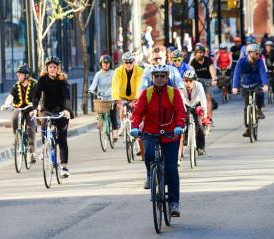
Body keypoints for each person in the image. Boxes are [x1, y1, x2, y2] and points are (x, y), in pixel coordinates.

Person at [130, 64, 185, 217]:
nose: (159, 78)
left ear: (167, 78)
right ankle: (150, 174)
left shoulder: (173, 93)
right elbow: (137, 113)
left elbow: (180, 112)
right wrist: (135, 127)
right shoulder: (146, 94)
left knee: (171, 169)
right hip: (150, 131)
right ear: (152, 78)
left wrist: (180, 126)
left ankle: (174, 203)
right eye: (156, 76)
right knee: (147, 155)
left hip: (170, 133)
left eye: (162, 76)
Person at [31, 56, 72, 177]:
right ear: (47, 68)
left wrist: (67, 110)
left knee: (62, 138)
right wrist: (34, 109)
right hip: (47, 109)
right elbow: (36, 96)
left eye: (54, 67)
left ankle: (64, 167)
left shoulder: (62, 80)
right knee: (44, 124)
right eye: (50, 67)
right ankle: (46, 147)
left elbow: (67, 97)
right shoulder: (42, 79)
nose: (52, 69)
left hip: (60, 110)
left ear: (58, 68)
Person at [0, 64, 37, 163]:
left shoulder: (34, 84)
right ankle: (17, 138)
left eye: (20, 74)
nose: (18, 76)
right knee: (14, 118)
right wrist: (6, 104)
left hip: (30, 109)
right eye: (17, 74)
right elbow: (10, 96)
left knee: (30, 129)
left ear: (26, 75)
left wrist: (37, 107)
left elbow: (38, 97)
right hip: (18, 108)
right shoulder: (16, 86)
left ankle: (32, 153)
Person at [232, 43, 268, 137]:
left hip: (257, 83)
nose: (258, 55)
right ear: (249, 53)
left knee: (260, 94)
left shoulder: (259, 61)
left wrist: (265, 85)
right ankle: (248, 127)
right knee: (247, 105)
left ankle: (259, 109)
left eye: (258, 53)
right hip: (245, 85)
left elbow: (263, 73)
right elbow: (236, 74)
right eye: (256, 53)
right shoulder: (241, 61)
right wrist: (235, 87)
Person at [89, 55, 120, 140]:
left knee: (113, 114)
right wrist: (90, 90)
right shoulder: (98, 74)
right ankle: (99, 120)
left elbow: (116, 83)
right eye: (104, 63)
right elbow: (94, 84)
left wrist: (115, 91)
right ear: (101, 64)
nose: (106, 65)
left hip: (111, 97)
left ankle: (114, 132)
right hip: (101, 97)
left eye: (107, 63)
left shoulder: (113, 73)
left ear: (110, 64)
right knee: (99, 110)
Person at [181, 70, 207, 156]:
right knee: (184, 121)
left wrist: (205, 114)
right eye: (186, 80)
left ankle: (201, 148)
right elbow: (181, 100)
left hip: (196, 104)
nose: (188, 83)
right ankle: (185, 139)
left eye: (191, 80)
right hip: (185, 104)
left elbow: (203, 99)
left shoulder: (199, 85)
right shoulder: (180, 86)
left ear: (194, 81)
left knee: (199, 124)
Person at [190, 43, 217, 121]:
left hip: (207, 80)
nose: (200, 54)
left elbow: (212, 71)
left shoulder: (208, 60)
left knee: (208, 97)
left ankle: (210, 117)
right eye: (198, 52)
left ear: (204, 52)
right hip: (197, 80)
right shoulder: (193, 62)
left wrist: (214, 80)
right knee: (196, 98)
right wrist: (193, 81)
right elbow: (192, 72)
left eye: (201, 52)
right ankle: (197, 115)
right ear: (195, 53)